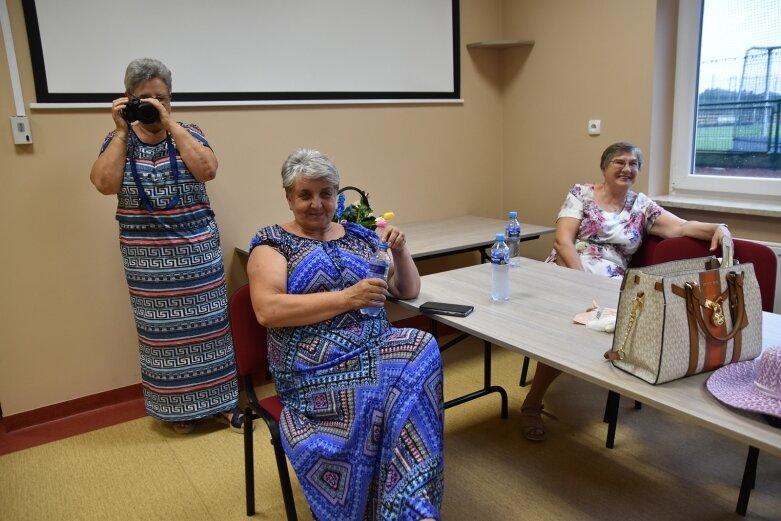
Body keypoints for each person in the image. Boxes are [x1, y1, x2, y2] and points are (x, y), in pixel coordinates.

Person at [247, 148, 444, 521]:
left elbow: (407, 291)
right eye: (305, 195)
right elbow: (267, 310)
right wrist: (346, 299)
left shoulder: (359, 235)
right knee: (381, 394)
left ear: (337, 194)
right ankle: (369, 507)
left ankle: (409, 504)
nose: (316, 204)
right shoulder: (273, 243)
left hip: (373, 347)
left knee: (422, 346)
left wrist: (401, 253)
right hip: (313, 365)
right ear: (289, 198)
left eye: (326, 193)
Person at [521, 141, 732, 441]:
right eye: (619, 162)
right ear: (604, 167)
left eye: (633, 164)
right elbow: (563, 242)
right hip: (569, 272)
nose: (627, 168)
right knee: (564, 333)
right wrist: (581, 283)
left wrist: (718, 227)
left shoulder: (641, 206)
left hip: (613, 283)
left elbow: (682, 227)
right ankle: (532, 402)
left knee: (618, 323)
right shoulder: (581, 193)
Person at [89, 58, 243, 434]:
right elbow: (104, 184)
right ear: (128, 100)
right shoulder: (116, 141)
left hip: (197, 254)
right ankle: (178, 410)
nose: (153, 105)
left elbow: (207, 169)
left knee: (211, 329)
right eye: (145, 98)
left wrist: (170, 123)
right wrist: (122, 131)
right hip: (147, 262)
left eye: (161, 98)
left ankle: (223, 404)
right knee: (161, 337)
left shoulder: (189, 131)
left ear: (170, 99)